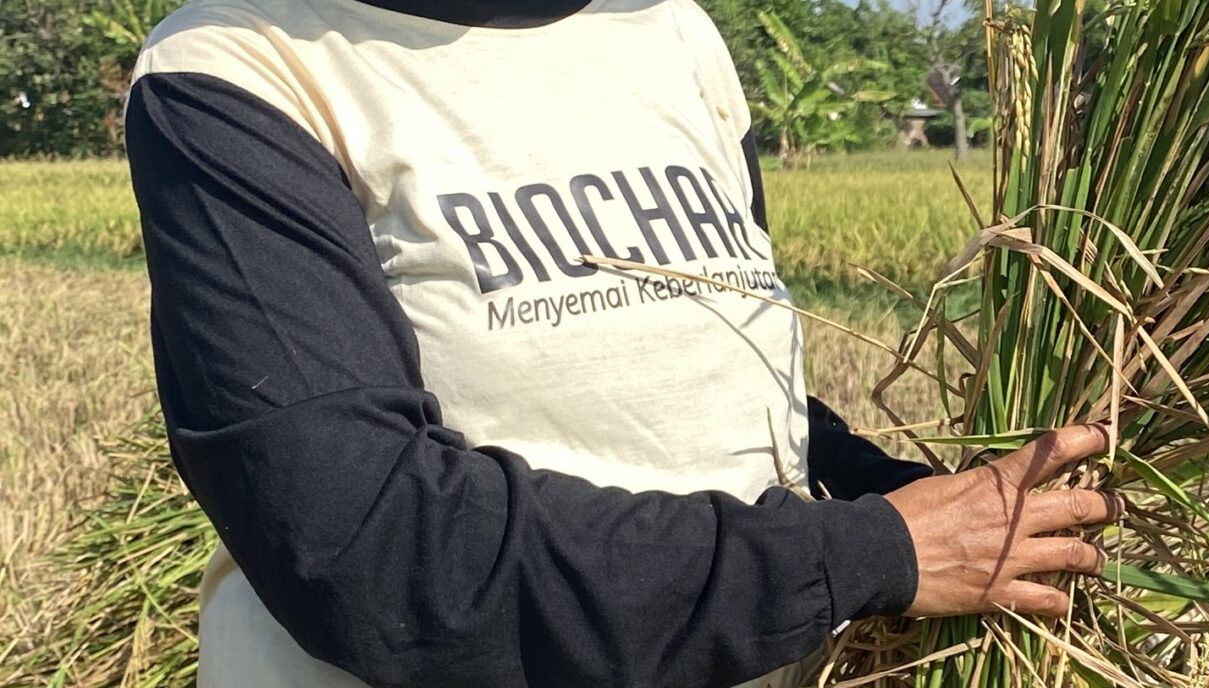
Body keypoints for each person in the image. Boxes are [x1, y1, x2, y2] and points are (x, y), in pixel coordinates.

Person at [123, 0, 1121, 685]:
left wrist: (929, 497)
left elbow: (729, 382)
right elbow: (370, 547)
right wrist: (874, 552)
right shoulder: (237, 65)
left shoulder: (671, 32)